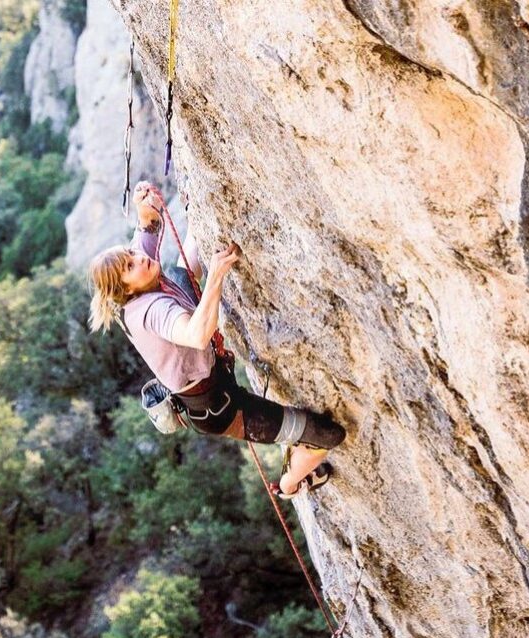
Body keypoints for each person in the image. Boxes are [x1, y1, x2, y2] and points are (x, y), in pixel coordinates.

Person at [88, 181, 345, 498]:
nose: (138, 258)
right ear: (126, 290)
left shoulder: (141, 274)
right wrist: (217, 275)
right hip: (220, 408)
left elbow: (148, 225)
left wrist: (145, 204)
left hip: (209, 371)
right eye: (130, 264)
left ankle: (199, 245)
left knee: (181, 273)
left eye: (130, 254)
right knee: (328, 434)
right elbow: (197, 335)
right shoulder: (151, 311)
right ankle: (293, 484)